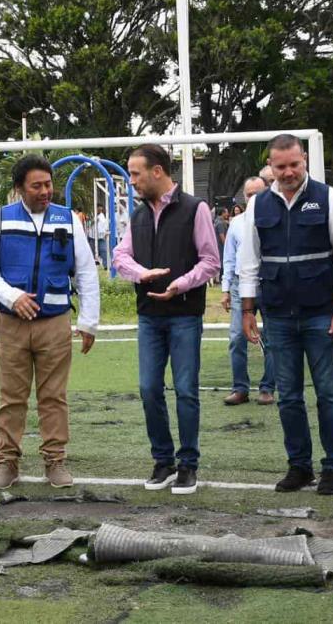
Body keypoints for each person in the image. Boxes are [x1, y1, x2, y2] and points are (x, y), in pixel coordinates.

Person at [239, 134, 333, 495]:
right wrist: (248, 310)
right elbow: (249, 263)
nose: (288, 172)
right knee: (288, 396)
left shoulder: (330, 198)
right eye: (281, 167)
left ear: (304, 160)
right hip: (277, 316)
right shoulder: (256, 205)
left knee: (329, 394)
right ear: (270, 167)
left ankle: (332, 468)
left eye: (294, 164)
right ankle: (299, 467)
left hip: (321, 313)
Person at [0, 154, 100, 490]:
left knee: (54, 397)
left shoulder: (68, 220)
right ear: (19, 189)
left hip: (55, 323)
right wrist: (11, 295)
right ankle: (7, 462)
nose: (46, 191)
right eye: (37, 186)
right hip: (12, 323)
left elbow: (85, 271)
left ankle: (55, 461)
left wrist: (89, 321)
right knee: (11, 397)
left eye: (48, 184)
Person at [113, 144, 220, 495]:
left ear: (157, 171)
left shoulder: (195, 208)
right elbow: (119, 256)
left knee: (186, 391)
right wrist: (144, 275)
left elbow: (210, 261)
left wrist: (180, 284)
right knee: (148, 389)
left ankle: (188, 464)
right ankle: (163, 461)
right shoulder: (139, 214)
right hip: (149, 317)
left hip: (185, 315)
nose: (132, 181)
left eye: (135, 173)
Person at [221, 177, 276, 406]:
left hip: (269, 283)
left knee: (273, 338)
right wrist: (225, 289)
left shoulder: (275, 219)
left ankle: (267, 388)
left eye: (257, 193)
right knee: (236, 337)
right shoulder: (236, 223)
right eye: (249, 194)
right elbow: (229, 258)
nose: (252, 198)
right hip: (239, 285)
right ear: (244, 196)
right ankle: (240, 388)